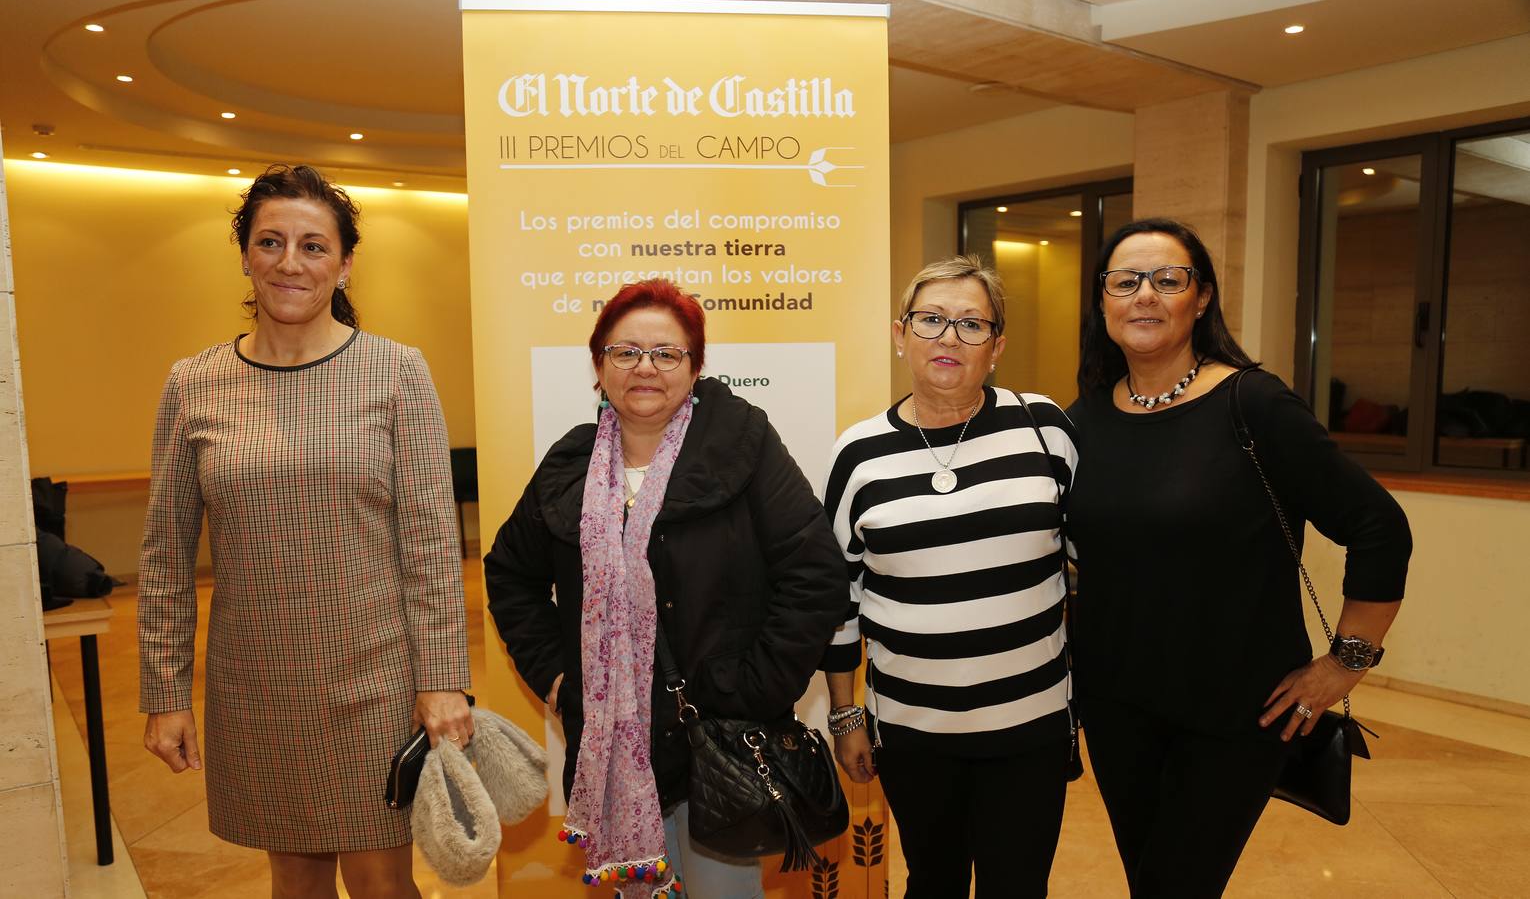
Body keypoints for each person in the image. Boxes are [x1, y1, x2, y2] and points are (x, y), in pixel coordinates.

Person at [138, 164, 472, 898]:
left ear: (345, 262)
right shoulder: (193, 383)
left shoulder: (396, 373)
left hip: (375, 680)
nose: (291, 263)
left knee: (382, 881)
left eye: (314, 246)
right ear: (246, 255)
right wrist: (165, 692)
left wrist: (444, 680)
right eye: (271, 242)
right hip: (255, 683)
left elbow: (430, 546)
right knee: (292, 879)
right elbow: (164, 555)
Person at [1066, 218, 1412, 897]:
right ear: (1102, 302)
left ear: (1201, 299)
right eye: (1126, 281)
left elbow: (1379, 525)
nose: (1145, 295)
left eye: (1169, 280)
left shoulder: (1252, 404)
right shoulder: (1081, 422)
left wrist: (1345, 663)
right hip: (1116, 708)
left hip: (1236, 712)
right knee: (1150, 879)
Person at [483, 279, 846, 898]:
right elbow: (510, 574)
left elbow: (814, 574)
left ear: (696, 365)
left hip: (718, 743)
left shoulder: (742, 443)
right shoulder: (570, 463)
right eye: (625, 352)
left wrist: (752, 688)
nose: (645, 367)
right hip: (615, 745)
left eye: (666, 353)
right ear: (599, 366)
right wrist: (556, 676)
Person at [820, 255, 1078, 899]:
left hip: (1031, 724)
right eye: (931, 320)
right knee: (931, 881)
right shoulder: (857, 454)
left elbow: (1100, 557)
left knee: (1015, 886)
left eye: (971, 324)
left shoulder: (1044, 428)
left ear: (997, 346)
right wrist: (846, 714)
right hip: (913, 731)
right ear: (900, 334)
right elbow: (838, 596)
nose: (948, 338)